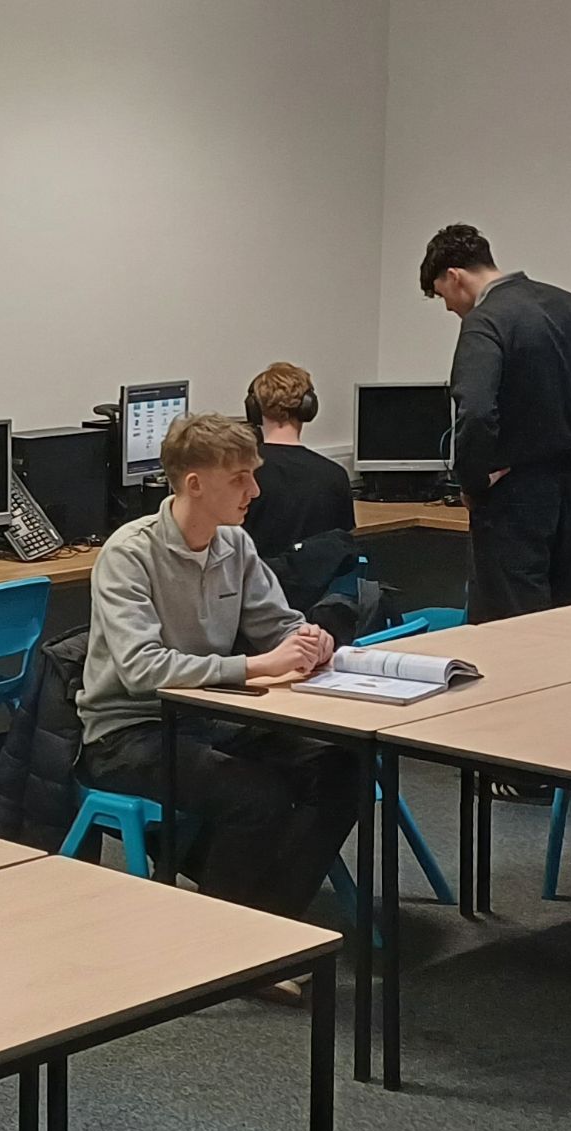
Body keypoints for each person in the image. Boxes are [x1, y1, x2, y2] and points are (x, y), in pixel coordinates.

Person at [78, 413, 364, 951]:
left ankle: (262, 928)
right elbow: (143, 670)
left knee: (343, 765)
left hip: (207, 716)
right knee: (255, 795)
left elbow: (276, 625)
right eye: (240, 478)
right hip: (128, 732)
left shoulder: (235, 545)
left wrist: (310, 638)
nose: (254, 490)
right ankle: (230, 941)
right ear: (195, 484)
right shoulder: (128, 554)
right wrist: (257, 667)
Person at [418, 224, 571, 621]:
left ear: (454, 275)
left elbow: (477, 411)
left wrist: (473, 482)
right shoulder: (568, 305)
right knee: (559, 616)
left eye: (441, 294)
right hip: (567, 487)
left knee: (508, 625)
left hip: (511, 494)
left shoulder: (485, 322)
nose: (448, 307)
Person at [240, 361, 358, 578]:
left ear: (254, 409)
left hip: (256, 596)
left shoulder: (242, 474)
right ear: (308, 408)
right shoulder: (335, 475)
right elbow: (343, 546)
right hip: (319, 603)